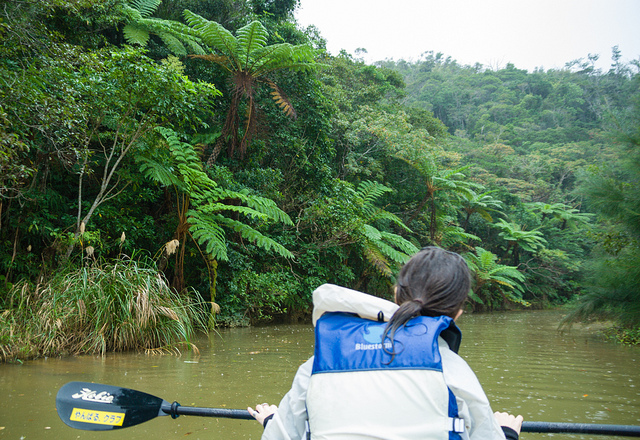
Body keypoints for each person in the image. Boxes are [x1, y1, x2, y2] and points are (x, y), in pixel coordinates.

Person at [248, 247, 524, 440]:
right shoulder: (452, 371)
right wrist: (507, 433)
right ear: (458, 312)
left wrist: (274, 421)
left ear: (395, 295)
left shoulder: (319, 364)